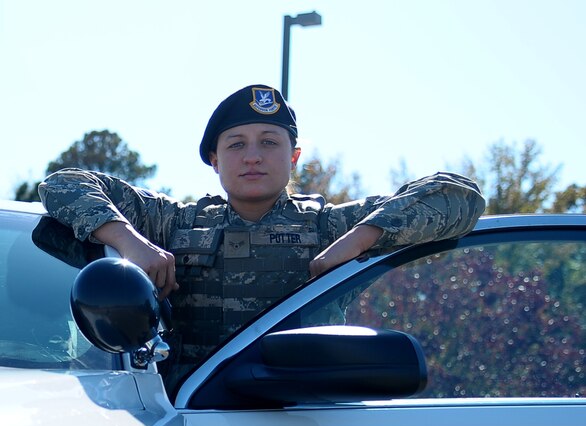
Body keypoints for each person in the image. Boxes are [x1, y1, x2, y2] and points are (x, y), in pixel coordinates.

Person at [39, 84, 485, 387]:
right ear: (215, 160)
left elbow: (460, 197)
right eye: (236, 144)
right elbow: (62, 185)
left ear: (294, 157)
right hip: (189, 417)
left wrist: (359, 240)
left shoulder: (330, 226)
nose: (252, 156)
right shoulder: (173, 223)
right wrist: (131, 243)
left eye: (269, 142)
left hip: (306, 419)